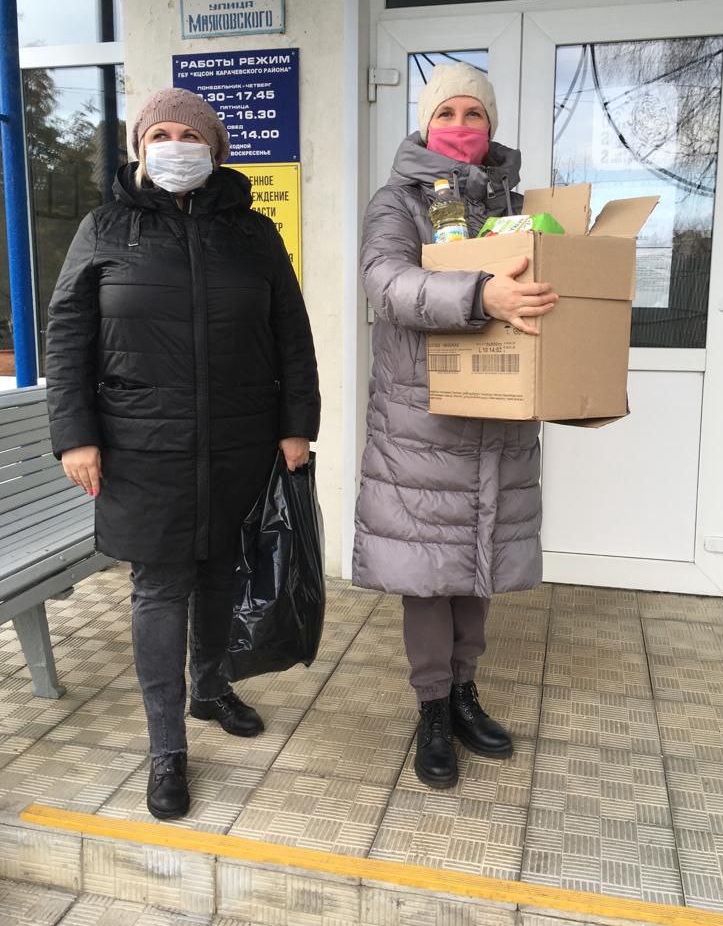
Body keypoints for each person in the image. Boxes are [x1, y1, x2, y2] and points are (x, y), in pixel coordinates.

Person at [45, 88, 320, 820]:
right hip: (142, 445)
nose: (174, 145)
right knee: (161, 588)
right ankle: (166, 748)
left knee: (222, 570)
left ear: (215, 149)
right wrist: (75, 434)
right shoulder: (105, 227)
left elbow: (291, 333)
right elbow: (67, 334)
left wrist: (297, 424)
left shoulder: (253, 234)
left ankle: (210, 688)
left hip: (239, 437)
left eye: (189, 135)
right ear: (140, 149)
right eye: (159, 134)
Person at [353, 63, 558, 789]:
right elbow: (385, 282)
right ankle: (432, 709)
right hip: (423, 422)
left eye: (475, 114)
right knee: (428, 578)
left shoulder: (520, 205)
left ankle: (466, 693)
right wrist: (481, 295)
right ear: (425, 123)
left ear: (492, 125)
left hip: (498, 419)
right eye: (447, 113)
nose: (461, 126)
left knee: (479, 567)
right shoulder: (398, 201)